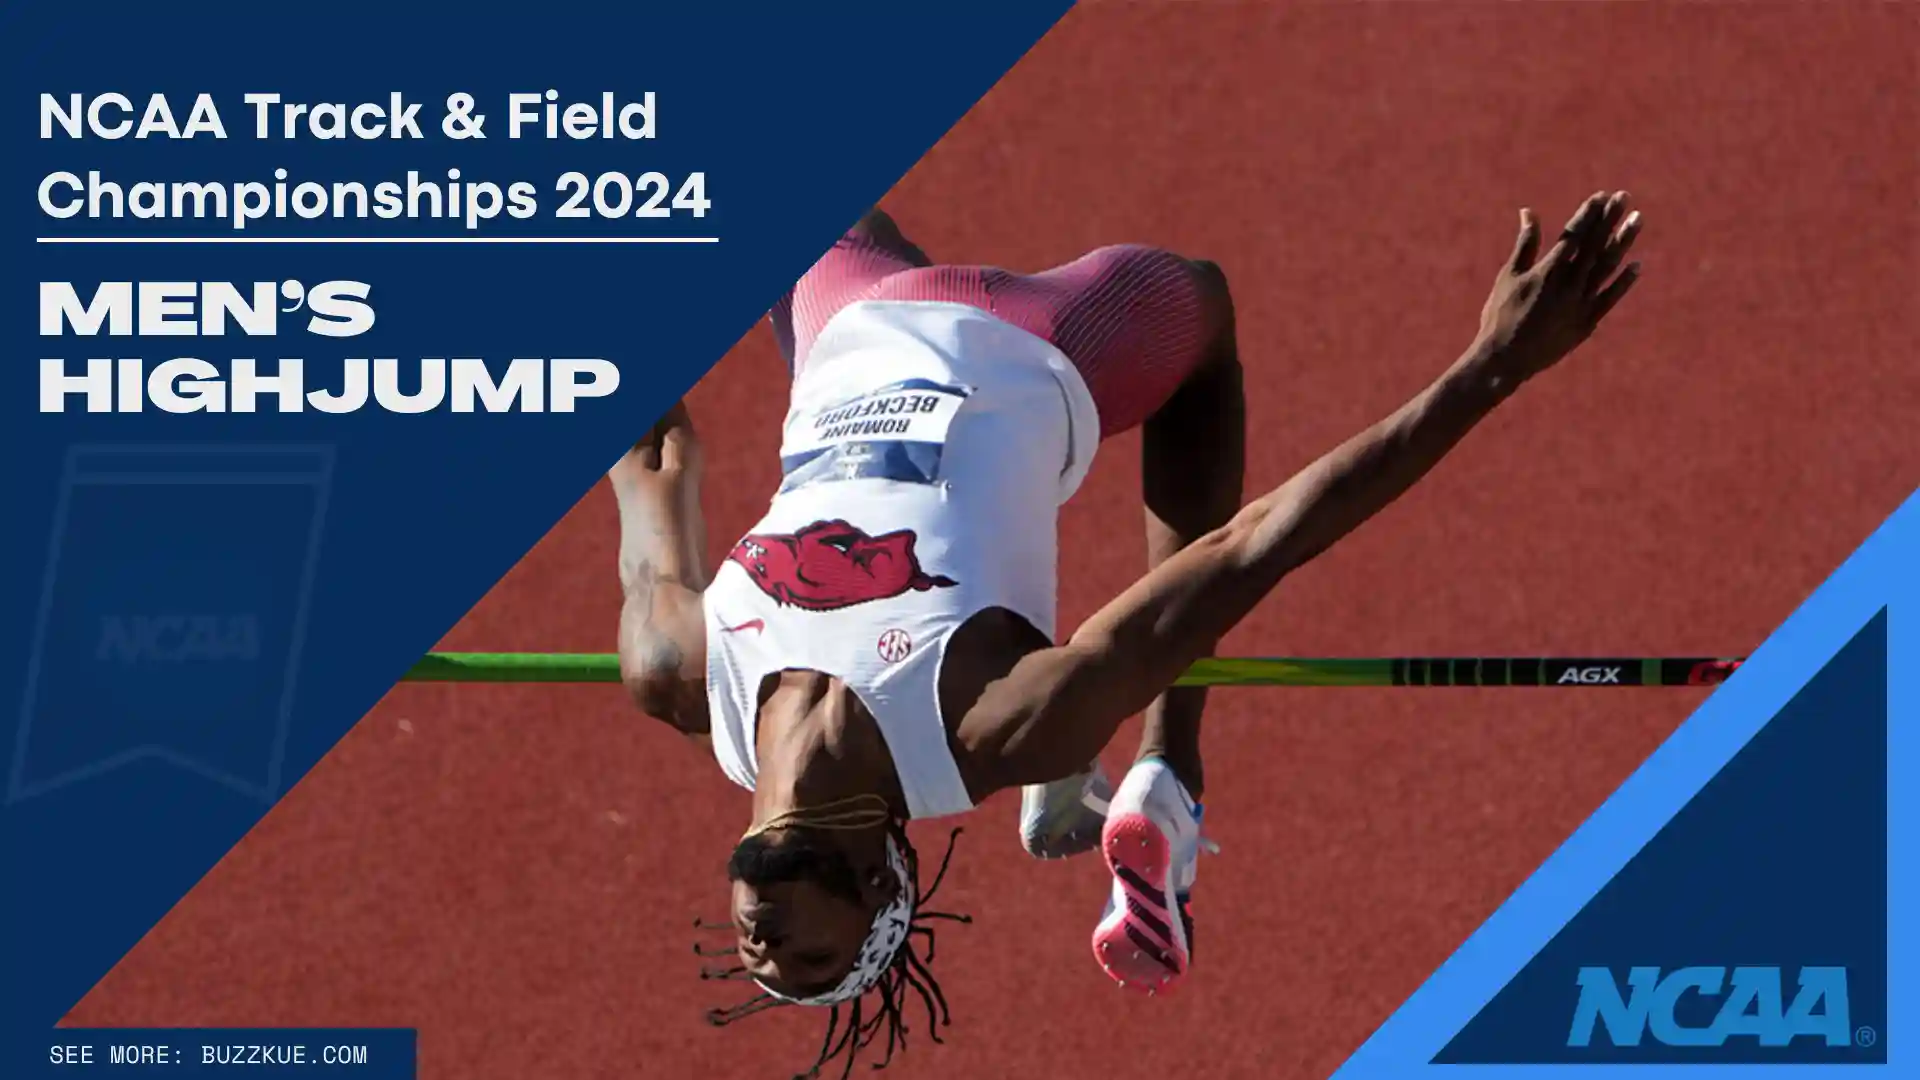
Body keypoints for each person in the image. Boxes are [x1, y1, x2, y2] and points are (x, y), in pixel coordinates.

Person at [613, 193, 1642, 1077]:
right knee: (1203, 313)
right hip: (1052, 341)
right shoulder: (996, 733)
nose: (766, 952)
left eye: (763, 969)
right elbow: (1247, 551)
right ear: (885, 888)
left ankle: (1164, 787)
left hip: (845, 324)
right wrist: (1488, 371)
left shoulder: (676, 674)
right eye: (814, 968)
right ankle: (1167, 757)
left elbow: (653, 447)